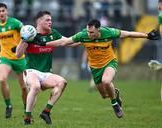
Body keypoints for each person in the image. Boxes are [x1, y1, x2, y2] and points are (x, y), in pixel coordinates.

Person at [31, 19, 160, 118]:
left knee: (106, 81)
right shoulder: (83, 35)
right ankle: (115, 94)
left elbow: (128, 34)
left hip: (110, 62)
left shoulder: (108, 32)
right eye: (88, 31)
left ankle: (115, 104)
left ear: (99, 30)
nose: (89, 34)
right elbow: (63, 42)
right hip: (95, 67)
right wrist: (43, 43)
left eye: (91, 32)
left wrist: (146, 35)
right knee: (104, 95)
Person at [16, 11, 67, 125]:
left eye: (51, 20)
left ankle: (46, 112)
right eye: (47, 20)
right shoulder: (30, 34)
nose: (50, 22)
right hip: (31, 71)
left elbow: (67, 41)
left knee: (62, 82)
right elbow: (18, 55)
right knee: (35, 86)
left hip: (46, 73)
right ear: (39, 21)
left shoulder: (53, 34)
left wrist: (83, 38)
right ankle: (27, 118)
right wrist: (23, 40)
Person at [0, 3, 28, 118]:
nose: (1, 13)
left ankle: (26, 109)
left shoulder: (15, 23)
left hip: (19, 58)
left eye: (3, 10)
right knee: (2, 79)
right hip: (5, 57)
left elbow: (26, 33)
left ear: (7, 12)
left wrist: (20, 46)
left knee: (24, 88)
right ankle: (8, 106)